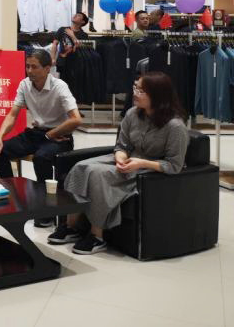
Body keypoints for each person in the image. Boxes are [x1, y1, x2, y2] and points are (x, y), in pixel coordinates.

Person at [49, 72, 188, 255]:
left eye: (141, 91)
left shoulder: (175, 126)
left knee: (98, 175)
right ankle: (71, 226)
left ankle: (97, 236)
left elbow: (175, 165)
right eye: (135, 88)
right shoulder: (132, 114)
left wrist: (140, 163)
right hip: (128, 160)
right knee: (81, 167)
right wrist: (120, 156)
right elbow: (122, 145)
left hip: (149, 169)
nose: (135, 93)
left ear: (157, 95)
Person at [0, 49, 82, 227]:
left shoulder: (59, 86)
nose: (29, 70)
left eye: (34, 67)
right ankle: (10, 199)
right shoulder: (25, 84)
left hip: (59, 135)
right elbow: (12, 114)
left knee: (41, 158)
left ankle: (46, 209)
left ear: (47, 68)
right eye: (27, 66)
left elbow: (76, 119)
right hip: (36, 133)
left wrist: (52, 134)